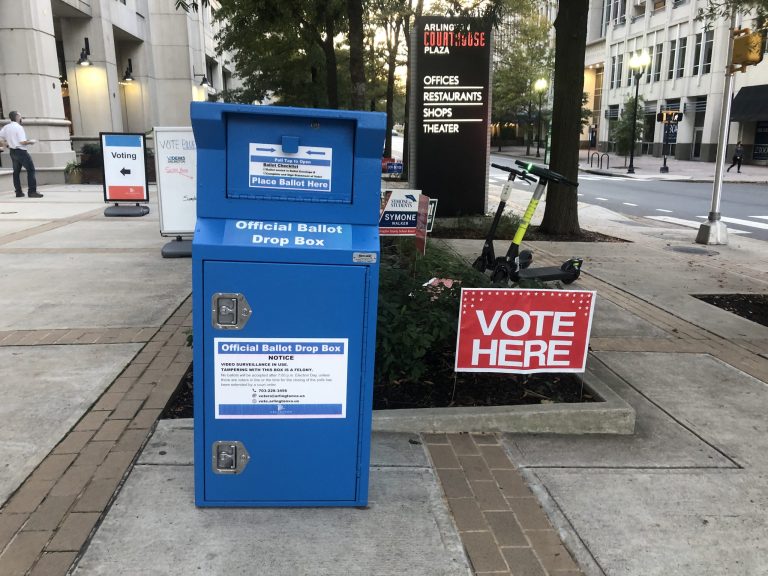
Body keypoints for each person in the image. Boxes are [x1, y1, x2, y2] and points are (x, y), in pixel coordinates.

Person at [0, 111, 43, 198]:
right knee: (31, 170)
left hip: (12, 151)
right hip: (21, 152)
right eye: (20, 116)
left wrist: (7, 145)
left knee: (16, 172)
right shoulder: (19, 127)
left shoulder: (6, 127)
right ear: (16, 117)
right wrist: (31, 142)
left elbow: (0, 138)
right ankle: (32, 192)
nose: (21, 118)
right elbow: (22, 142)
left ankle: (18, 192)